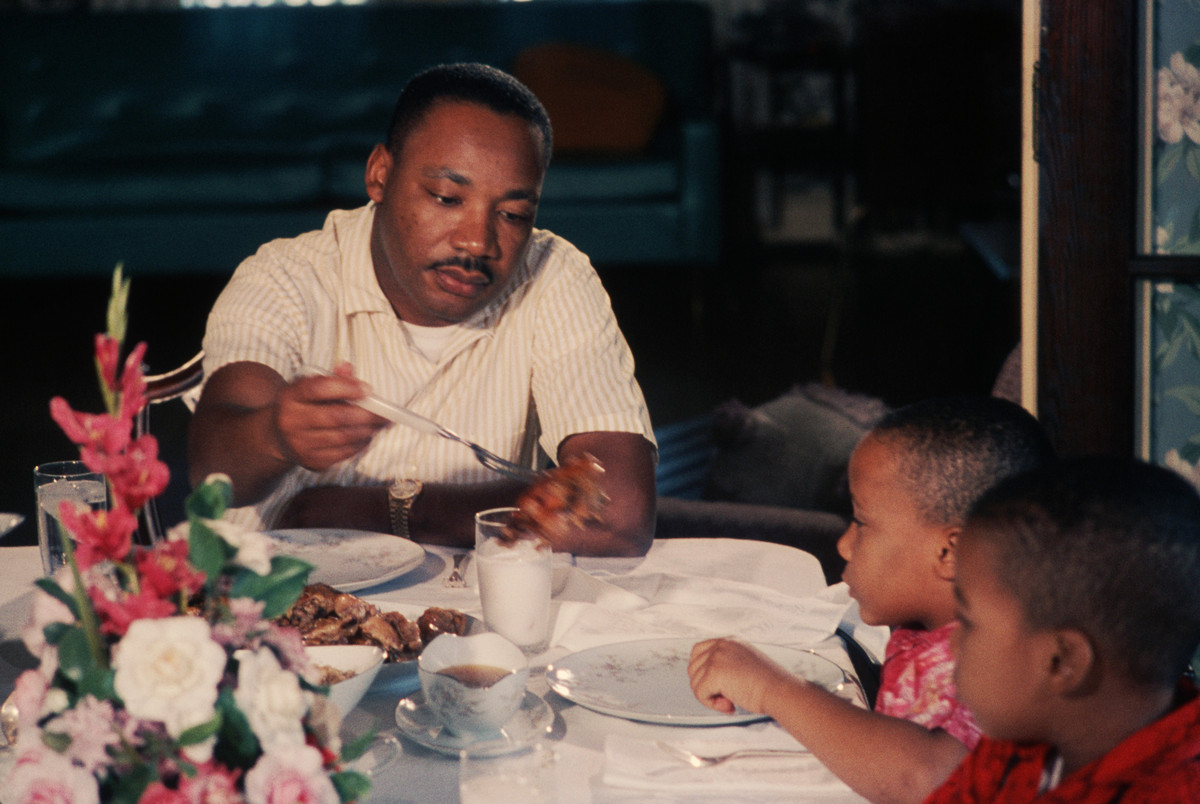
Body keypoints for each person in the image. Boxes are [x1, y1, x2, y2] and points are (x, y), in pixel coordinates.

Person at [187, 63, 657, 557]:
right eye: (446, 197)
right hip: (284, 609)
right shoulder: (285, 277)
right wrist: (275, 434)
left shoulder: (551, 275)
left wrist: (383, 511)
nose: (477, 240)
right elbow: (215, 472)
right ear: (380, 175)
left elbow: (620, 510)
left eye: (513, 215)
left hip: (474, 612)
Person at [687, 396, 1056, 804]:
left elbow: (929, 777)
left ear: (950, 552)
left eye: (862, 523)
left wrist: (774, 689)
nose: (845, 545)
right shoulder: (926, 631)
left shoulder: (1005, 663)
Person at [925, 456, 1200, 803]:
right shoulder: (1013, 749)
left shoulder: (1176, 792)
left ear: (1061, 660)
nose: (952, 645)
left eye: (967, 622)